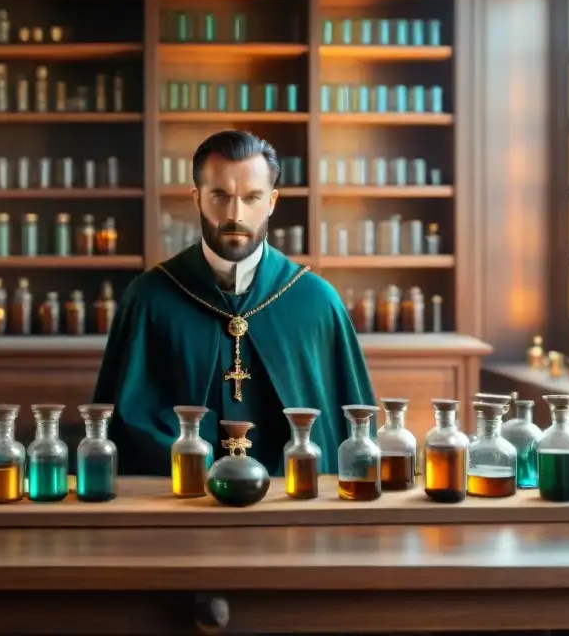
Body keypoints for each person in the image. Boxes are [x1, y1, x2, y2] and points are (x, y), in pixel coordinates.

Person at [92, 129, 376, 476]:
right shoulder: (148, 298)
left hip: (291, 510)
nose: (235, 213)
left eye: (252, 197)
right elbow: (123, 426)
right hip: (179, 508)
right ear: (197, 198)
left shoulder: (316, 302)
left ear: (272, 201)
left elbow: (349, 432)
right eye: (220, 195)